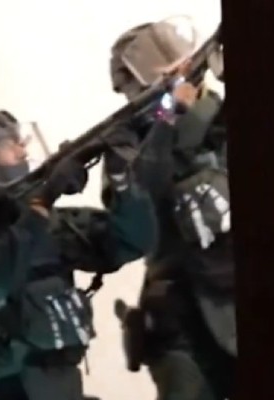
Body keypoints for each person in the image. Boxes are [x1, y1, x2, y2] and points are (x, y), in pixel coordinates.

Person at [0, 109, 157, 400]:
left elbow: (133, 241)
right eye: (7, 146)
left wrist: (121, 177)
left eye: (20, 143)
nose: (22, 153)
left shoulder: (41, 219)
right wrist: (45, 198)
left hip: (59, 385)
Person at [107, 21, 235, 400]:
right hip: (179, 314)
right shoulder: (128, 142)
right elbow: (141, 201)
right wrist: (168, 117)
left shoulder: (221, 115)